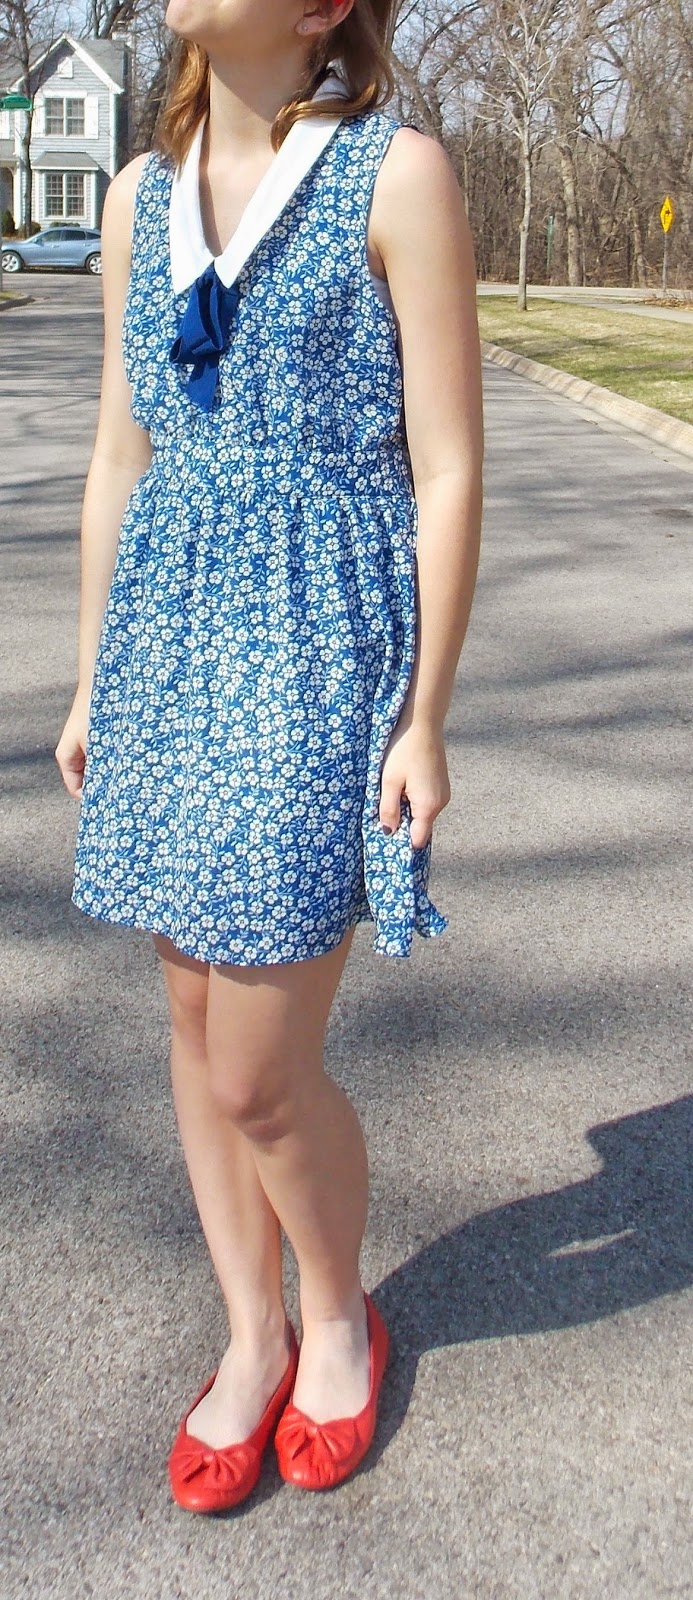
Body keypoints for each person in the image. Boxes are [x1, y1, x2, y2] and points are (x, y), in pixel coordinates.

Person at [54, 0, 483, 1512]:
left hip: (315, 643)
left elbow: (447, 467)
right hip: (166, 640)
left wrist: (425, 713)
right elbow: (121, 453)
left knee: (258, 1067)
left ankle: (335, 1316)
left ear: (323, 8)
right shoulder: (137, 195)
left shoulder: (394, 174)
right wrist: (92, 676)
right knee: (187, 1012)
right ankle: (251, 1335)